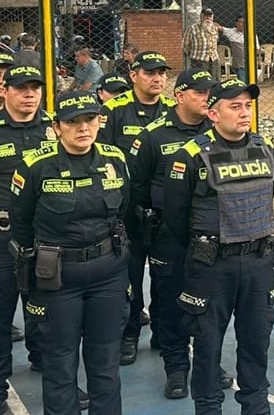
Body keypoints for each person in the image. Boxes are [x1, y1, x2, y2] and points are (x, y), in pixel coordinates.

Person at [163, 78, 274, 415]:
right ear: (213, 114)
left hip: (258, 263)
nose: (245, 113)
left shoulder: (265, 147)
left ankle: (256, 407)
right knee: (207, 344)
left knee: (257, 341)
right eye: (235, 106)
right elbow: (175, 215)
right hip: (211, 266)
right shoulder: (190, 155)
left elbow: (270, 191)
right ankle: (209, 408)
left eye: (247, 105)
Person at [10, 91, 131, 415]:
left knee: (105, 361)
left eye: (90, 119)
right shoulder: (35, 166)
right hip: (57, 279)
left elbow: (124, 210)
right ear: (56, 126)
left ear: (99, 121)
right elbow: (20, 224)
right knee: (60, 363)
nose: (83, 128)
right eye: (72, 122)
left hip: (107, 273)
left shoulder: (114, 159)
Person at [126, 69, 223, 400]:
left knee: (210, 303)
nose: (206, 98)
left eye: (209, 92)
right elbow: (137, 187)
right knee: (169, 303)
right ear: (180, 96)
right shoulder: (154, 136)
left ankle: (210, 363)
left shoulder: (218, 131)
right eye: (199, 92)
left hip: (211, 231)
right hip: (169, 232)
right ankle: (176, 368)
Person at [0, 65, 51, 414]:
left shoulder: (56, 128)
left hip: (46, 235)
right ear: (5, 91)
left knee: (50, 312)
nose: (29, 94)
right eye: (22, 88)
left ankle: (52, 371)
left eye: (35, 87)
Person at [99, 50, 175, 366]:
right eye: (149, 72)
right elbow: (99, 156)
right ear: (134, 76)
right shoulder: (114, 111)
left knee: (167, 275)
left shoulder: (174, 110)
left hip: (165, 211)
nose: (157, 78)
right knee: (128, 276)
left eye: (162, 73)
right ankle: (129, 334)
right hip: (127, 211)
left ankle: (164, 331)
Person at [182, 8, 222, 79]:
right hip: (199, 60)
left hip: (214, 59)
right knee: (200, 82)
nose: (208, 18)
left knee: (215, 81)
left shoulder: (215, 28)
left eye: (210, 16)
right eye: (206, 15)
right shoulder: (192, 28)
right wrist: (194, 54)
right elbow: (185, 44)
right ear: (201, 16)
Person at [220, 16, 259, 84]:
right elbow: (219, 28)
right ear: (236, 23)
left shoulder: (252, 34)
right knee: (243, 82)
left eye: (244, 22)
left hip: (250, 64)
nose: (243, 24)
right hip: (239, 64)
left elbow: (257, 49)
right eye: (241, 22)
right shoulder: (231, 32)